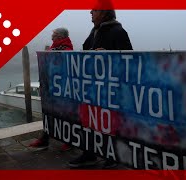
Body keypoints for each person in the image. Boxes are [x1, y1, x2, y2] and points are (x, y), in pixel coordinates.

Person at [68, 9, 132, 168]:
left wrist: (109, 54)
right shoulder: (94, 31)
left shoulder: (118, 31)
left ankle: (112, 156)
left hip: (110, 89)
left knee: (109, 123)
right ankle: (89, 153)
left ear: (104, 13)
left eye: (95, 10)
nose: (90, 12)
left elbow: (129, 58)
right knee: (89, 120)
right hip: (93, 87)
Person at [29, 27, 73, 151]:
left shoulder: (67, 49)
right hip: (49, 86)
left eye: (54, 34)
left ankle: (69, 141)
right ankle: (45, 138)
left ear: (60, 36)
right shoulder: (52, 48)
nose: (52, 37)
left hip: (61, 88)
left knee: (64, 115)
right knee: (48, 113)